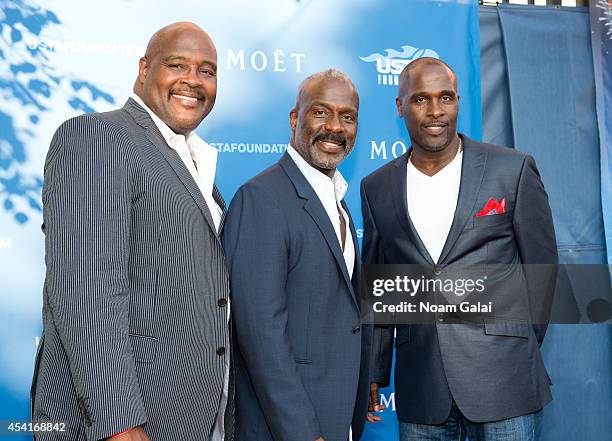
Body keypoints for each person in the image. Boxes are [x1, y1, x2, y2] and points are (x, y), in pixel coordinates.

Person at [31, 22, 232, 441]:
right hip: (125, 422)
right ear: (144, 69)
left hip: (192, 418)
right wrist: (119, 423)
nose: (192, 80)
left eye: (207, 71)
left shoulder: (195, 164)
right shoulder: (97, 138)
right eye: (177, 65)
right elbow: (86, 292)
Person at [362, 58, 558, 441]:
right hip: (422, 386)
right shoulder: (377, 187)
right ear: (400, 106)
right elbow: (382, 288)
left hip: (506, 383)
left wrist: (512, 340)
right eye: (421, 99)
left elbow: (542, 270)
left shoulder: (511, 169)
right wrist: (374, 367)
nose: (435, 112)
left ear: (457, 102)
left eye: (446, 98)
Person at [222, 69, 372, 441]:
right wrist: (304, 432)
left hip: (336, 418)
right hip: (291, 427)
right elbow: (261, 334)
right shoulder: (261, 198)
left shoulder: (337, 201)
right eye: (321, 112)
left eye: (347, 116)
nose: (335, 127)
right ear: (295, 118)